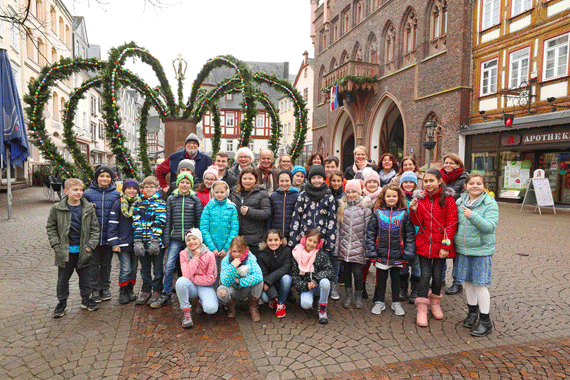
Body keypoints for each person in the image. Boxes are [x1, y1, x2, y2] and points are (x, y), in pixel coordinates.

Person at [409, 169, 458, 327]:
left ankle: (435, 302)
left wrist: (446, 245)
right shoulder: (420, 198)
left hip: (440, 244)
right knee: (425, 275)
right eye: (426, 181)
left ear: (439, 181)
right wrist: (414, 210)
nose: (428, 184)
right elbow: (417, 223)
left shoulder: (448, 199)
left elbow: (451, 222)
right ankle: (422, 307)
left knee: (437, 276)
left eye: (432, 180)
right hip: (424, 243)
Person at [47, 178, 100, 317]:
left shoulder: (88, 208)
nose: (79, 193)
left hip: (84, 251)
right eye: (75, 190)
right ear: (66, 191)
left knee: (86, 279)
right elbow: (51, 228)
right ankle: (62, 303)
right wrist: (56, 245)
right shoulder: (57, 208)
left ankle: (86, 299)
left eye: (81, 190)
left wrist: (90, 246)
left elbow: (95, 229)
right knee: (63, 280)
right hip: (65, 252)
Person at [454, 173, 499, 337]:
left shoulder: (490, 204)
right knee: (467, 283)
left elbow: (489, 227)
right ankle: (472, 312)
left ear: (484, 186)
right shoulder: (460, 202)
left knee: (480, 284)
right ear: (465, 186)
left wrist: (473, 216)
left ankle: (485, 320)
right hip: (464, 250)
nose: (475, 186)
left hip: (481, 250)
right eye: (471, 183)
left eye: (478, 183)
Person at [152, 172, 203, 308]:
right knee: (169, 266)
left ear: (191, 184)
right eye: (182, 182)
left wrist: (198, 240)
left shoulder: (195, 199)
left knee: (191, 267)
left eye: (187, 183)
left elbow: (198, 221)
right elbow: (167, 219)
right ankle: (167, 293)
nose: (184, 185)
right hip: (175, 239)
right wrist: (166, 238)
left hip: (190, 241)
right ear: (178, 183)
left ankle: (191, 294)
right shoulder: (171, 198)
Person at [289, 165, 338, 299]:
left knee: (319, 265)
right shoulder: (303, 195)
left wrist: (330, 243)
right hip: (305, 240)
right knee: (305, 265)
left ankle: (319, 292)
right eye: (314, 178)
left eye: (319, 178)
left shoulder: (329, 197)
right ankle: (307, 290)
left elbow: (332, 220)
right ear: (310, 179)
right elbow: (296, 217)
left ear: (324, 179)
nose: (316, 180)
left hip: (321, 240)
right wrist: (294, 239)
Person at [365, 184, 416, 316]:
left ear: (399, 197)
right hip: (381, 253)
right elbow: (370, 233)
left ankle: (395, 302)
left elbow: (409, 235)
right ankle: (379, 302)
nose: (391, 198)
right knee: (381, 279)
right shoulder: (377, 213)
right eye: (388, 196)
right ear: (383, 197)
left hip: (398, 254)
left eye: (394, 196)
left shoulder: (404, 214)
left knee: (396, 280)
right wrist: (371, 249)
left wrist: (408, 251)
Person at [83, 166, 121, 303]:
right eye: (102, 176)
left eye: (108, 176)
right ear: (96, 178)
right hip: (92, 237)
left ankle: (105, 287)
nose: (105, 179)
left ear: (112, 178)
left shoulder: (116, 194)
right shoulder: (87, 194)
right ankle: (95, 289)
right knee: (93, 264)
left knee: (106, 264)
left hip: (108, 237)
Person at [335, 180, 372, 309]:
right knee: (346, 272)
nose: (351, 194)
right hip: (345, 246)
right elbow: (338, 229)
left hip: (359, 247)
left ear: (360, 192)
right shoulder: (342, 206)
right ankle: (348, 294)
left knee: (357, 273)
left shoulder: (365, 208)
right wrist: (337, 247)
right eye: (348, 191)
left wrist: (367, 248)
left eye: (354, 191)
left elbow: (368, 230)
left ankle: (358, 294)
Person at [133, 176, 167, 306]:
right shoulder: (138, 203)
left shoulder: (160, 203)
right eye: (146, 187)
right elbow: (136, 222)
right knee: (144, 269)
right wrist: (137, 241)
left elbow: (160, 222)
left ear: (157, 188)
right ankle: (145, 290)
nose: (149, 189)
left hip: (156, 243)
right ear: (143, 188)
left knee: (158, 269)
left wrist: (155, 241)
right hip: (142, 243)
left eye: (152, 186)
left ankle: (157, 290)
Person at [175, 228, 219, 328]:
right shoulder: (183, 254)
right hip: (192, 287)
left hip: (205, 287)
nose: (191, 242)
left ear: (200, 239)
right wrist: (195, 257)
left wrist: (192, 277)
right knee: (180, 282)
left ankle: (202, 301)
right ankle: (186, 311)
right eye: (188, 240)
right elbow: (185, 276)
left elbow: (211, 278)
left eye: (194, 239)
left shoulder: (210, 255)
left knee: (211, 309)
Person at [200, 180, 239, 289]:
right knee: (212, 272)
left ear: (226, 192)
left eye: (222, 192)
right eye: (217, 192)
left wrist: (226, 248)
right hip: (212, 249)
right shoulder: (208, 207)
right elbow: (204, 228)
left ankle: (224, 297)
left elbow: (234, 229)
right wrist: (212, 247)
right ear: (213, 193)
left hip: (226, 249)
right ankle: (213, 296)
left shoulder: (232, 208)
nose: (219, 194)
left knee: (225, 272)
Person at [108, 178, 141, 304]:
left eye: (134, 188)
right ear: (124, 190)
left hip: (136, 242)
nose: (131, 191)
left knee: (133, 268)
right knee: (125, 268)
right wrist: (114, 242)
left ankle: (130, 290)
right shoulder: (118, 204)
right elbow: (112, 224)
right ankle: (123, 291)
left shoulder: (140, 203)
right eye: (129, 188)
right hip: (122, 242)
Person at [291, 229, 334, 324]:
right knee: (306, 305)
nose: (311, 244)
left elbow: (330, 271)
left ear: (318, 244)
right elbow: (294, 276)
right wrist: (306, 285)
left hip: (318, 285)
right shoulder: (296, 254)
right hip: (307, 287)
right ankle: (313, 299)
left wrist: (315, 280)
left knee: (325, 282)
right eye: (310, 240)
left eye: (315, 242)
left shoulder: (321, 255)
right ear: (304, 239)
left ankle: (322, 308)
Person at [217, 236, 264, 322]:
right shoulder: (226, 260)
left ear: (246, 249)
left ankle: (253, 307)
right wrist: (232, 266)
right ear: (230, 249)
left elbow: (259, 276)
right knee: (221, 291)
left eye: (240, 251)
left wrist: (239, 281)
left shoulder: (251, 258)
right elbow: (224, 281)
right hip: (232, 289)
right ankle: (231, 307)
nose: (237, 254)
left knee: (259, 282)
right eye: (234, 251)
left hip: (245, 289)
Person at [441, 153, 468, 296]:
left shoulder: (464, 179)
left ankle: (457, 283)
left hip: (459, 219)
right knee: (443, 246)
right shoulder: (441, 178)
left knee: (457, 252)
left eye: (451, 163)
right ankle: (441, 278)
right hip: (443, 218)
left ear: (458, 165)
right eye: (446, 162)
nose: (448, 165)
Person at [229, 167, 271, 257]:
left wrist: (249, 212)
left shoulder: (262, 193)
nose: (247, 181)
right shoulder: (234, 193)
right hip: (237, 237)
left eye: (250, 179)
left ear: (255, 179)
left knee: (252, 266)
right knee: (238, 266)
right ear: (240, 180)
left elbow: (266, 212)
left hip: (254, 238)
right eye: (245, 179)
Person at [397, 172, 422, 304]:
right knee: (403, 264)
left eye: (411, 182)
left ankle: (415, 289)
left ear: (415, 184)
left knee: (416, 265)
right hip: (402, 236)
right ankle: (403, 288)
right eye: (405, 182)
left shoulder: (419, 198)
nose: (408, 184)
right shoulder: (399, 198)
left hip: (416, 236)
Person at [257, 230, 292, 319]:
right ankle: (274, 299)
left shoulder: (287, 251)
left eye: (276, 240)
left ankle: (281, 304)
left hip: (281, 282)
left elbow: (286, 268)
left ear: (281, 241)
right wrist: (273, 295)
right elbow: (263, 274)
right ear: (266, 241)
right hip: (269, 284)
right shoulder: (261, 255)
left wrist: (268, 281)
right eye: (270, 240)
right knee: (265, 298)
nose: (273, 243)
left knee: (287, 278)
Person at [361, 168, 382, 299]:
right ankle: (362, 285)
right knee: (365, 262)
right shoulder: (361, 197)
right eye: (370, 182)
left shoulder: (383, 196)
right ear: (365, 184)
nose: (372, 184)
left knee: (379, 264)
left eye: (375, 182)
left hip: (380, 235)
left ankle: (377, 290)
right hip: (365, 234)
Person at [268, 170, 299, 238]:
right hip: (276, 235)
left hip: (291, 234)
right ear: (278, 182)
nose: (284, 183)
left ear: (291, 181)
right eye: (281, 181)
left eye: (287, 181)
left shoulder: (297, 196)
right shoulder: (273, 196)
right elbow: (270, 216)